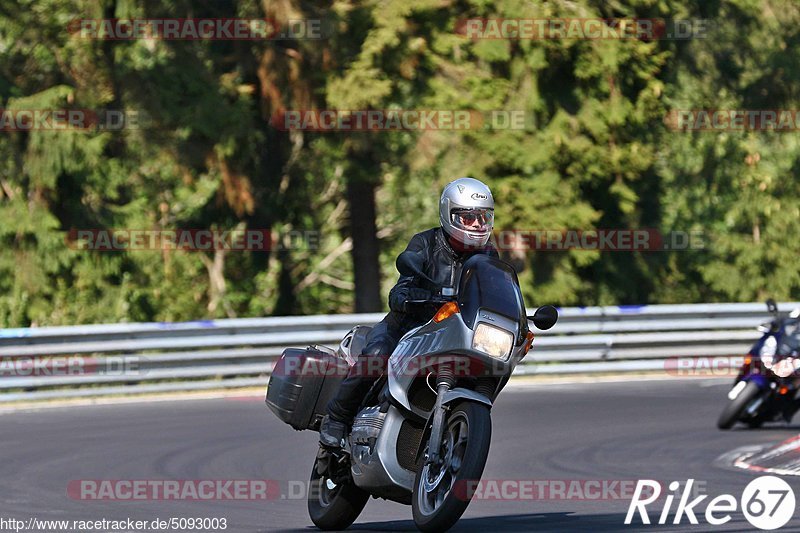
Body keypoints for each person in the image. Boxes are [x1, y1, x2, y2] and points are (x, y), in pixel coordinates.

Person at [319, 177, 499, 448]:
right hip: (407, 327)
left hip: (453, 335)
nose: (477, 224)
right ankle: (337, 417)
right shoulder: (426, 243)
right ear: (449, 214)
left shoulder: (489, 256)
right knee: (377, 356)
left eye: (483, 217)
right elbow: (401, 287)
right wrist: (408, 297)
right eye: (468, 217)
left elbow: (498, 292)